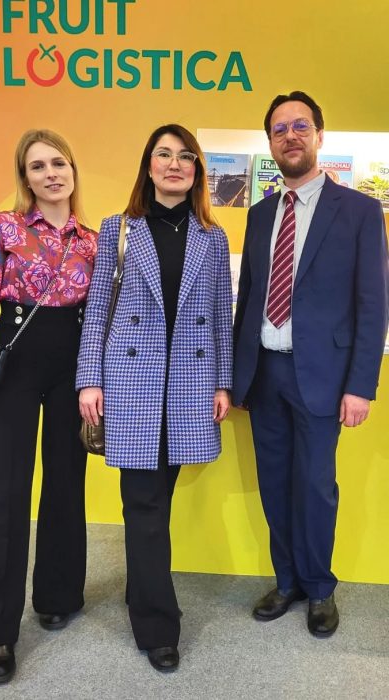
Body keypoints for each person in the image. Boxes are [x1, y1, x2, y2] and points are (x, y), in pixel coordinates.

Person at [233, 91, 388, 637]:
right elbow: (249, 298)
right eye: (279, 130)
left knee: (316, 486)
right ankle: (288, 581)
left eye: (301, 126)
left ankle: (320, 587)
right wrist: (237, 378)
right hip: (265, 374)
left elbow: (373, 304)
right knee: (274, 484)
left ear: (320, 135)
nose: (290, 136)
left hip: (324, 377)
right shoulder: (259, 215)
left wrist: (361, 386)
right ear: (270, 143)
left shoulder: (360, 212)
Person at [77, 124, 232, 671]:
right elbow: (97, 308)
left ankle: (141, 583)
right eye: (164, 154)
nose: (174, 164)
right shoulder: (118, 228)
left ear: (196, 171)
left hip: (189, 385)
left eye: (185, 156)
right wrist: (89, 379)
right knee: (143, 504)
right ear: (148, 166)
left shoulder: (212, 237)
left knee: (157, 499)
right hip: (131, 383)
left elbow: (221, 315)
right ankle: (158, 626)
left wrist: (223, 381)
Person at [0, 129, 97, 683]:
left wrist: (98, 381)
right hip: (14, 365)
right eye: (37, 166)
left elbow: (101, 316)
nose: (50, 174)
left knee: (65, 484)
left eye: (58, 163)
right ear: (26, 177)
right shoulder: (4, 227)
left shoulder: (93, 240)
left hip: (72, 368)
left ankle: (58, 595)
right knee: (7, 496)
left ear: (73, 170)